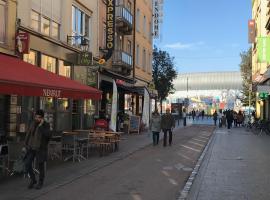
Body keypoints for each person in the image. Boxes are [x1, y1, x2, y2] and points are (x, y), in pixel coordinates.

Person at [24, 109, 51, 189]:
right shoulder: (33, 123)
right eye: (36, 117)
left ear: (42, 118)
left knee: (40, 166)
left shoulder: (46, 125)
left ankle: (40, 182)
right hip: (31, 147)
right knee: (27, 163)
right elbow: (28, 134)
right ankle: (33, 179)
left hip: (40, 148)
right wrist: (25, 145)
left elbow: (48, 135)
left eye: (39, 117)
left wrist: (41, 126)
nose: (37, 118)